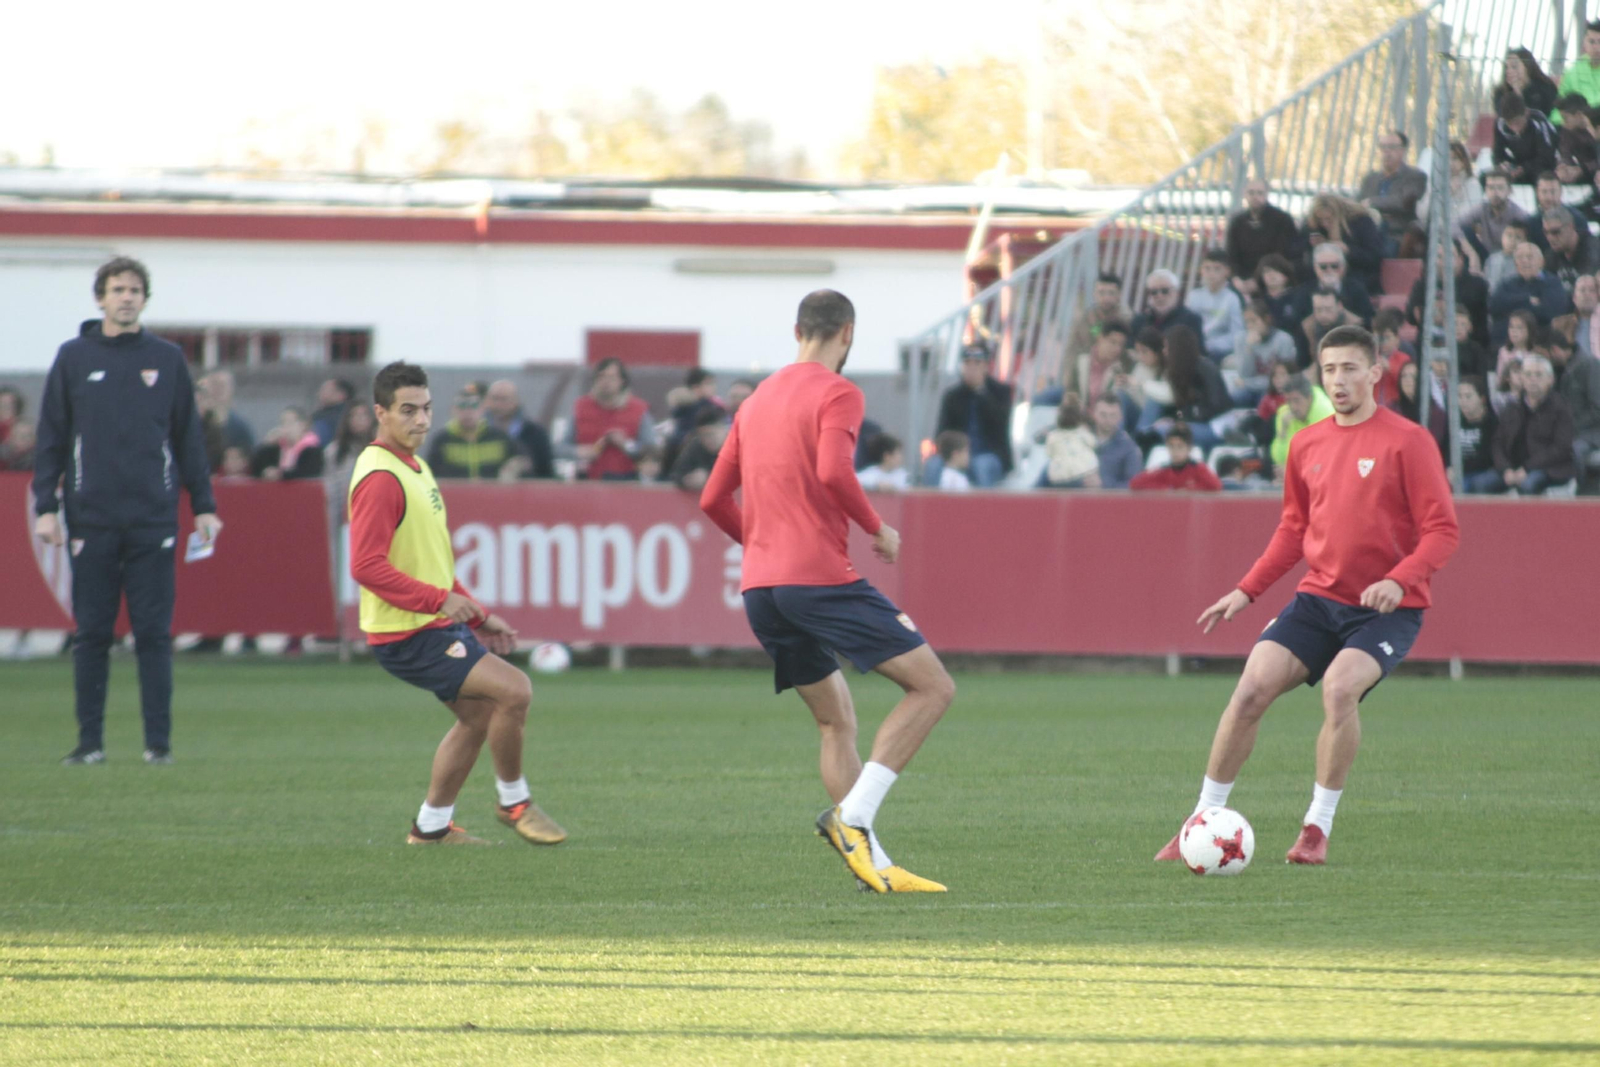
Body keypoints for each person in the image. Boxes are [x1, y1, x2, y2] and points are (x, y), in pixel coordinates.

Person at [1158, 325, 1458, 868]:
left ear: (1375, 373)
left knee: (1340, 690)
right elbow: (1294, 530)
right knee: (1250, 691)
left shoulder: (1409, 441)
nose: (1338, 380)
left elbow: (1443, 530)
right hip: (1318, 600)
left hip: (1387, 610)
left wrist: (1400, 578)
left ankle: (1316, 829)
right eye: (1329, 369)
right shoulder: (1306, 443)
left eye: (1349, 368)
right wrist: (1246, 590)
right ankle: (1197, 824)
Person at [698, 289, 956, 894]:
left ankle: (874, 866)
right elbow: (834, 471)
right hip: (818, 579)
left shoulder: (757, 400)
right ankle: (854, 817)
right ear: (847, 333)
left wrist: (760, 546)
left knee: (836, 722)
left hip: (762, 590)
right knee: (932, 686)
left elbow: (712, 499)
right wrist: (878, 529)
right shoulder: (839, 391)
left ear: (796, 331)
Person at [348, 361, 565, 847]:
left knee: (480, 716)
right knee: (515, 690)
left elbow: (433, 562)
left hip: (430, 622)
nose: (420, 420)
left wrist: (477, 611)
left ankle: (430, 828)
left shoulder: (416, 467)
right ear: (380, 413)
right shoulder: (381, 475)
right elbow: (365, 565)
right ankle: (515, 804)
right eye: (407, 411)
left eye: (425, 409)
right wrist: (439, 601)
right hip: (407, 632)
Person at [32, 256, 221, 766]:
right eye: (117, 289)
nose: (126, 297)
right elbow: (51, 439)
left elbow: (188, 439)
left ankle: (157, 746)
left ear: (144, 298)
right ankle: (89, 743)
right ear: (100, 297)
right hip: (89, 517)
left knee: (154, 635)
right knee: (91, 633)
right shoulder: (73, 357)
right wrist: (44, 507)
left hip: (153, 518)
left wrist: (204, 505)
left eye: (135, 289)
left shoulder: (168, 358)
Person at [1491, 354, 1577, 494]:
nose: (1532, 379)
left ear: (1550, 380)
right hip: (1512, 468)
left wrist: (1527, 468)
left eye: (1538, 375)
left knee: (1527, 485)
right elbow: (1497, 442)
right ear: (1522, 379)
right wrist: (1505, 469)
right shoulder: (1512, 408)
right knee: (1480, 484)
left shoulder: (1561, 408)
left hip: (1549, 468)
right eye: (1528, 374)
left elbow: (1561, 448)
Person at [934, 345, 1012, 487]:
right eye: (967, 363)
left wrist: (981, 392)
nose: (971, 368)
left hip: (990, 454)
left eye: (977, 363)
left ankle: (984, 508)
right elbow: (942, 433)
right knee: (933, 465)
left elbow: (1000, 424)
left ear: (986, 367)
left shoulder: (1001, 392)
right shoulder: (952, 396)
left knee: (980, 466)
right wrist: (953, 453)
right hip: (956, 454)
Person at [571, 358, 655, 480]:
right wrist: (579, 452)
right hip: (589, 483)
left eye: (611, 377)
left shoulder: (639, 409)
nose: (606, 382)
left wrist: (626, 444)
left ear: (622, 381)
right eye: (601, 377)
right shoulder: (581, 408)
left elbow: (651, 450)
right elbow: (559, 448)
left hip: (628, 483)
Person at [427, 383, 524, 481]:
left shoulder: (499, 437)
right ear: (453, 410)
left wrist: (514, 467)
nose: (467, 412)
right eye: (462, 406)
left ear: (483, 409)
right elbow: (431, 475)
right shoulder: (442, 440)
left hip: (493, 495)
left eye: (473, 406)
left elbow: (524, 461)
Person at [1406, 237, 1489, 347]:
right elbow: (1411, 317)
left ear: (1461, 259)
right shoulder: (1423, 285)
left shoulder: (1477, 285)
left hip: (1468, 348)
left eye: (1450, 256)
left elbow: (1481, 324)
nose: (1444, 262)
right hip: (1430, 346)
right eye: (1439, 257)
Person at [1357, 131, 1428, 254]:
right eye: (1383, 147)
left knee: (1383, 252)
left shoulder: (1415, 176)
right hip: (1367, 231)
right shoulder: (1370, 178)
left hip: (1395, 234)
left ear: (1403, 150)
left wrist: (1371, 202)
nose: (1387, 152)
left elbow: (1404, 202)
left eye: (1392, 147)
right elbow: (1357, 204)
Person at [1489, 242, 1570, 349]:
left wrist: (1511, 305)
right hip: (1505, 345)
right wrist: (1526, 299)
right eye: (1520, 257)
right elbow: (1494, 306)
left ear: (1541, 262)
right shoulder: (1507, 283)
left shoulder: (1552, 283)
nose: (1525, 261)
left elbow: (1549, 312)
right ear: (1515, 263)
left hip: (1539, 345)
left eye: (1530, 257)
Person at [1301, 194, 1384, 297]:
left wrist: (1348, 250)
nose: (1325, 224)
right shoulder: (1314, 226)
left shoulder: (1360, 222)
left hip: (1358, 275)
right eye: (1321, 220)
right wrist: (1318, 247)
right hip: (1322, 277)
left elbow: (1375, 257)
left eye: (1329, 219)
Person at [1164, 325, 1231, 449]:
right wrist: (1175, 419)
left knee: (1164, 432)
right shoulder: (1177, 373)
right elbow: (1181, 408)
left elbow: (1216, 405)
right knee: (1158, 429)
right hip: (1194, 424)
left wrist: (1187, 420)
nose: (1164, 351)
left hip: (1215, 426)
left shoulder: (1206, 369)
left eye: (1167, 347)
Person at [1226, 179, 1301, 288]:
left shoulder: (1282, 220)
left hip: (1273, 280)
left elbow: (1282, 255)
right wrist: (1236, 278)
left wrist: (1258, 280)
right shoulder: (1237, 222)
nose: (1255, 197)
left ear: (1267, 194)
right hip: (1241, 281)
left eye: (1260, 193)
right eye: (1251, 192)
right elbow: (1231, 254)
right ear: (1244, 194)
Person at [1550, 317, 1600, 476]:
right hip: (1568, 432)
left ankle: (1580, 494)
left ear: (1555, 350)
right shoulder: (1558, 371)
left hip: (1591, 433)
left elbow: (1597, 409)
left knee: (1573, 451)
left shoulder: (1589, 365)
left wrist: (1571, 427)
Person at [483, 379, 555, 479]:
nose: (498, 404)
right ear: (487, 401)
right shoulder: (477, 434)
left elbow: (547, 472)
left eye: (504, 399)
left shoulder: (535, 433)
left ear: (516, 401)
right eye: (495, 399)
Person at [1226, 299, 1296, 402]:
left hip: (1273, 389)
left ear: (1266, 319)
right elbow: (1243, 375)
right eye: (1247, 322)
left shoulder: (1283, 340)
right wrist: (1248, 348)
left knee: (1265, 399)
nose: (1250, 326)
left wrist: (1248, 383)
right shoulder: (1241, 339)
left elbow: (1284, 379)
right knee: (1235, 396)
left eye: (1253, 321)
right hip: (1250, 387)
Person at [1185, 249, 1245, 362]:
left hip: (1220, 353)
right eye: (1207, 268)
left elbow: (1237, 335)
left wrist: (1209, 345)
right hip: (1194, 349)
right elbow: (1186, 327)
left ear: (1227, 271)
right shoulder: (1194, 296)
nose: (1211, 274)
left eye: (1217, 269)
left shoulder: (1233, 299)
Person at [1457, 172, 1529, 265]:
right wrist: (1471, 254)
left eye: (1500, 188)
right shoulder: (1482, 208)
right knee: (1465, 230)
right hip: (1485, 255)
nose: (1495, 193)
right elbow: (1455, 224)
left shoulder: (1519, 215)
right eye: (1490, 188)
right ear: (1485, 190)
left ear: (1510, 191)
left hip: (1511, 257)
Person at [1269, 375, 1334, 474]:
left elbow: (1324, 459)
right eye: (1289, 401)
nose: (1293, 407)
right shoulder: (1285, 415)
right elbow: (1279, 458)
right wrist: (1283, 431)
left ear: (1309, 398)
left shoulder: (1326, 414)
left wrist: (1291, 471)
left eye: (1296, 400)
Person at [1129, 424, 1222, 492]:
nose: (1175, 451)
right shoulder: (1163, 470)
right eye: (1171, 446)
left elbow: (1216, 486)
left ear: (1189, 448)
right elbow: (1135, 483)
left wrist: (1188, 490)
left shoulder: (1198, 468)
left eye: (1180, 446)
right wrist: (1166, 489)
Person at [1065, 271, 1134, 362]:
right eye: (1101, 293)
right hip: (1087, 368)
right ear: (1094, 294)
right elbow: (1071, 351)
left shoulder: (1127, 319)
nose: (1106, 298)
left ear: (1119, 295)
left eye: (1111, 293)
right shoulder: (1083, 319)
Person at [1494, 93, 1559, 185]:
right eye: (1510, 124)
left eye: (1518, 122)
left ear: (1526, 113)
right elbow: (1497, 153)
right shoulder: (1500, 124)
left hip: (1541, 168)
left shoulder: (1540, 122)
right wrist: (1503, 165)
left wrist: (1524, 169)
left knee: (1539, 176)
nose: (1515, 129)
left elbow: (1547, 157)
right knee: (1489, 178)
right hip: (1517, 166)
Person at [1039, 393, 1099, 489]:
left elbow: (1049, 452)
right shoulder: (1054, 433)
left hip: (1080, 476)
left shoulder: (1083, 431)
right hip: (1061, 475)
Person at [252, 407, 326, 480]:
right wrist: (266, 443)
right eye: (283, 423)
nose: (286, 427)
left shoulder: (312, 449)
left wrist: (281, 474)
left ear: (304, 425)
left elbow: (308, 473)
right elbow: (255, 468)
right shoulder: (277, 448)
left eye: (290, 422)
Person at [1416, 141, 1482, 224]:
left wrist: (1454, 196)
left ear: (1464, 162)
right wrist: (1444, 193)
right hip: (1434, 231)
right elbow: (1422, 214)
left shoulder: (1472, 184)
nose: (1450, 163)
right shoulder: (1433, 182)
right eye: (1446, 158)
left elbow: (1469, 215)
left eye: (1455, 158)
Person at [1130, 268, 1205, 340]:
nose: (1159, 296)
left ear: (1176, 293)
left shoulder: (1191, 320)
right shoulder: (1139, 322)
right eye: (1154, 292)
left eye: (1165, 291)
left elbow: (1199, 351)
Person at [1538, 207, 1599, 294]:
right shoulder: (1550, 256)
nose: (1550, 238)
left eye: (1555, 232)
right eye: (1546, 232)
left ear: (1571, 227)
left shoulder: (1593, 249)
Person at [1088, 393, 1143, 488]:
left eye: (1113, 415)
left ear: (1120, 417)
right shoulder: (1081, 441)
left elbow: (1134, 485)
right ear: (1094, 414)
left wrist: (1103, 485)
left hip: (1110, 501)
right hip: (1079, 498)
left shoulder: (1128, 448)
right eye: (1103, 414)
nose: (1107, 419)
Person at [1456, 376, 1501, 492]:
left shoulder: (1492, 423)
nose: (1463, 401)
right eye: (1459, 396)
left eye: (1468, 396)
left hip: (1483, 471)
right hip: (1460, 471)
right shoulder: (1454, 422)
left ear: (1482, 399)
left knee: (1470, 485)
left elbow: (1486, 457)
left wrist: (1459, 469)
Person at [669, 406, 728, 492]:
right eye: (702, 436)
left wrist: (708, 477)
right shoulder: (695, 447)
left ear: (724, 430)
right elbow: (676, 474)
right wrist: (687, 480)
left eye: (711, 434)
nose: (707, 440)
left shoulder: (737, 448)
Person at [199, 370, 255, 459]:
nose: (216, 391)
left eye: (221, 386)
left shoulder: (239, 427)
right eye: (213, 385)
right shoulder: (193, 423)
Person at [1300, 288, 1358, 372]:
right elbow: (1303, 360)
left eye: (1328, 309)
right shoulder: (1307, 326)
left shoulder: (1355, 326)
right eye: (1318, 309)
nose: (1323, 314)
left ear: (1339, 306)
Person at [1496, 47, 1560, 122]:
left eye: (1514, 67)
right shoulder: (1501, 93)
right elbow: (1508, 119)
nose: (1509, 71)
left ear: (1527, 66)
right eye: (1506, 67)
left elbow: (1544, 115)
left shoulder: (1545, 87)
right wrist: (1517, 93)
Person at [1555, 22, 1600, 116]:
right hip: (1578, 125)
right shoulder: (1572, 72)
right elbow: (1560, 108)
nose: (1596, 47)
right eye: (1591, 42)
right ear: (1584, 43)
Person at [1554, 95, 1599, 187]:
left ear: (1578, 115)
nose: (1563, 123)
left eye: (1565, 118)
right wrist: (1564, 166)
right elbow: (1565, 152)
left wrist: (1582, 169)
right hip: (1579, 181)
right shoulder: (1567, 132)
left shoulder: (1596, 125)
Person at [1252, 253, 1300, 333]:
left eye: (1276, 270)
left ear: (1286, 275)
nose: (1271, 275)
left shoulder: (1298, 297)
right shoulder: (1259, 301)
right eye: (1266, 271)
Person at [309, 377, 356, 447]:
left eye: (325, 390)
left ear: (341, 394)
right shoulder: (319, 415)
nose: (319, 393)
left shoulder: (348, 416)